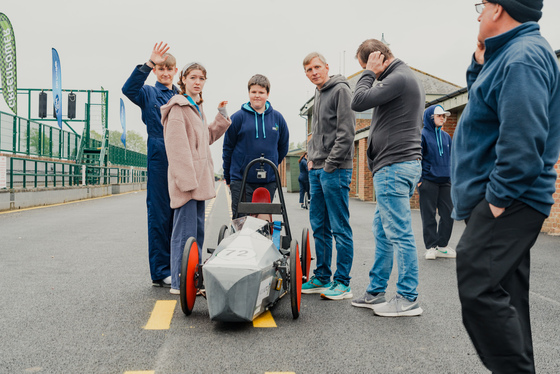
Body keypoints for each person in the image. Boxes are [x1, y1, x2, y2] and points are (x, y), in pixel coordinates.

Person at [451, 1, 560, 372]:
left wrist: (494, 202)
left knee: (477, 284)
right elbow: (485, 112)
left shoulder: (523, 58)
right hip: (507, 197)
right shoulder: (509, 55)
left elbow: (523, 143)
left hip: (510, 198)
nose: (478, 14)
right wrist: (478, 66)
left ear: (499, 9)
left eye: (481, 6)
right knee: (507, 299)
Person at [350, 39, 425, 316]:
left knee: (399, 233)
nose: (370, 74)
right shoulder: (399, 79)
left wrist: (367, 73)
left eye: (367, 65)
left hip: (394, 167)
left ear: (377, 58)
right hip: (394, 166)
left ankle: (407, 298)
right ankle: (376, 292)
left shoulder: (398, 78)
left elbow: (357, 101)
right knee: (384, 232)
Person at [160, 62, 231, 295]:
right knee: (184, 233)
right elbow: (177, 149)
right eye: (193, 77)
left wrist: (221, 117)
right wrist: (187, 183)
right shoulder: (179, 108)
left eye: (201, 78)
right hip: (188, 182)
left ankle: (192, 280)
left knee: (196, 232)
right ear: (184, 80)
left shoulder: (195, 107)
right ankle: (180, 283)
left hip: (198, 181)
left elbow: (206, 137)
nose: (197, 81)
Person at [122, 42, 178, 287]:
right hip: (158, 151)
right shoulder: (148, 93)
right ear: (156, 71)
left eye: (169, 69)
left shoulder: (180, 95)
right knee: (159, 212)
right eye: (160, 68)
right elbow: (128, 89)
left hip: (180, 155)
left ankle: (178, 264)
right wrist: (148, 63)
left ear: (175, 71)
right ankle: (161, 270)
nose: (165, 73)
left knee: (180, 212)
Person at [301, 52, 355, 300]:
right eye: (308, 70)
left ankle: (342, 282)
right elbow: (317, 131)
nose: (313, 72)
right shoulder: (318, 92)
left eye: (316, 67)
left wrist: (330, 164)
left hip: (335, 169)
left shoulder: (340, 90)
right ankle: (322, 277)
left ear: (326, 67)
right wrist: (311, 158)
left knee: (339, 227)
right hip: (317, 168)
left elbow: (346, 133)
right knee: (319, 226)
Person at [222, 74, 289, 218]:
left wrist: (271, 163)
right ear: (249, 93)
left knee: (263, 221)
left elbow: (283, 147)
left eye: (261, 92)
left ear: (267, 94)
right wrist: (228, 177)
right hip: (241, 179)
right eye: (253, 92)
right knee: (242, 221)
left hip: (268, 180)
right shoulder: (237, 118)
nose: (257, 96)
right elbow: (227, 148)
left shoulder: (277, 118)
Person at [418, 105, 455, 260]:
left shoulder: (446, 137)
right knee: (429, 215)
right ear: (430, 117)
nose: (442, 118)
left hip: (445, 181)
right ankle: (431, 247)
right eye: (439, 116)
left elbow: (452, 158)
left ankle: (442, 245)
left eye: (443, 116)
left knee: (448, 214)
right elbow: (417, 157)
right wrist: (419, 180)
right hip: (428, 181)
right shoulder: (422, 135)